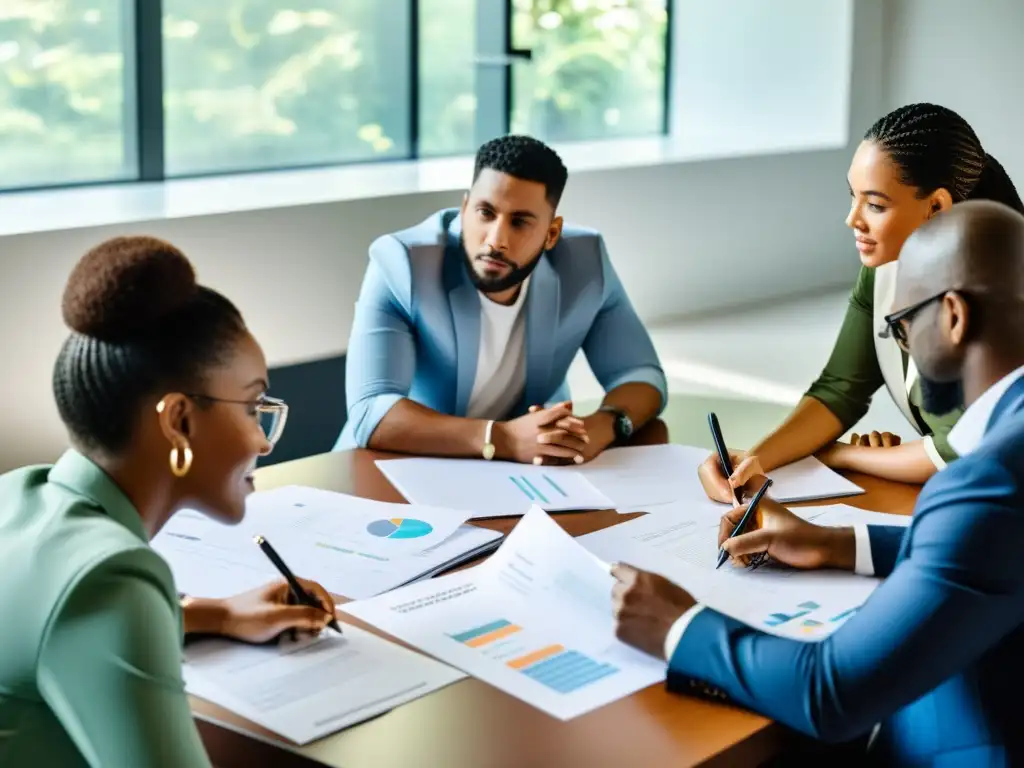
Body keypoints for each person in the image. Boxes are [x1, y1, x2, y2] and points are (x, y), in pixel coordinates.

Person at [612, 200, 1024, 764]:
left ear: (952, 316)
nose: (905, 348)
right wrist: (836, 543)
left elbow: (829, 694)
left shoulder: (988, 482)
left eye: (904, 325)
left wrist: (677, 625)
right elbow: (997, 552)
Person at [0, 237, 339, 767]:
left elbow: (63, 622)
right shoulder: (111, 577)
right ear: (178, 421)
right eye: (253, 406)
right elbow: (92, 603)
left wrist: (221, 615)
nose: (264, 441)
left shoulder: (18, 495)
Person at [699, 103, 1024, 502]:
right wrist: (755, 460)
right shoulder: (883, 266)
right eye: (853, 197)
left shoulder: (995, 303)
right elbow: (839, 389)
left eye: (875, 204)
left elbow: (955, 448)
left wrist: (843, 455)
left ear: (936, 206)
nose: (852, 219)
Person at [337, 134, 667, 465]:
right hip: (394, 467)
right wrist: (502, 438)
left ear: (552, 233)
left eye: (520, 222)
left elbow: (642, 375)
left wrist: (602, 426)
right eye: (485, 213)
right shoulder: (402, 263)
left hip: (524, 475)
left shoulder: (584, 263)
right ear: (465, 209)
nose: (496, 241)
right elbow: (372, 410)